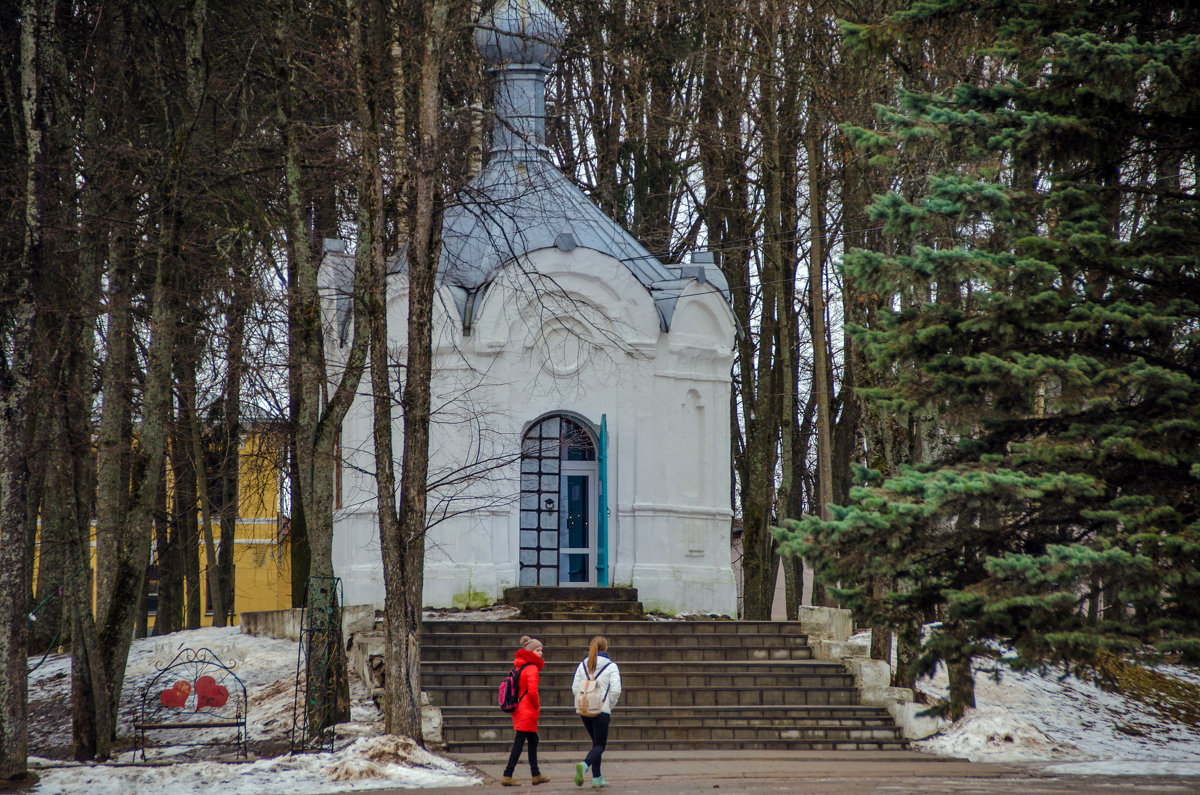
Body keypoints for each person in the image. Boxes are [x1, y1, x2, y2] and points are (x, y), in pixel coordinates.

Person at [571, 635, 622, 788]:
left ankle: (597, 778)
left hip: (585, 710)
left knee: (596, 744)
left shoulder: (582, 665)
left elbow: (574, 688)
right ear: (606, 648)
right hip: (602, 710)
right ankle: (585, 764)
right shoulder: (611, 666)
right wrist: (609, 705)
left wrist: (584, 701)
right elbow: (616, 690)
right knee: (600, 745)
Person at [501, 635, 550, 786]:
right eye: (537, 650)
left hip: (521, 708)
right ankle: (507, 775)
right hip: (527, 709)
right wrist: (536, 706)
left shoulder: (521, 666)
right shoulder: (532, 668)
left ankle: (536, 774)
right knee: (519, 742)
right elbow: (533, 691)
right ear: (530, 651)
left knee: (533, 740)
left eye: (541, 650)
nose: (540, 653)